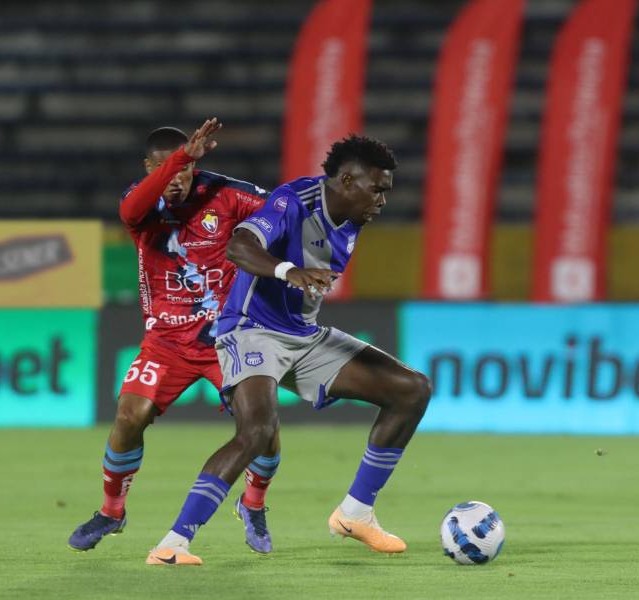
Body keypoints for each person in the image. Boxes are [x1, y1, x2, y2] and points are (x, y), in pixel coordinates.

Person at [146, 134, 432, 566]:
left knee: (411, 389)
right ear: (347, 180)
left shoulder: (353, 220)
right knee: (257, 432)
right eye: (377, 189)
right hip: (250, 329)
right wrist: (288, 270)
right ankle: (172, 543)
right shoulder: (293, 199)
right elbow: (239, 247)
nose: (382, 200)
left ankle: (355, 513)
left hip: (303, 335)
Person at [69, 118, 281, 555]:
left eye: (184, 169)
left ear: (196, 169)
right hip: (165, 342)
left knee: (262, 428)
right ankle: (112, 512)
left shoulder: (222, 193)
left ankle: (253, 505)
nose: (176, 178)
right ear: (150, 168)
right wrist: (183, 156)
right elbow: (131, 211)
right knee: (129, 416)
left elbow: (279, 211)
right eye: (166, 168)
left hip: (230, 338)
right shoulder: (139, 202)